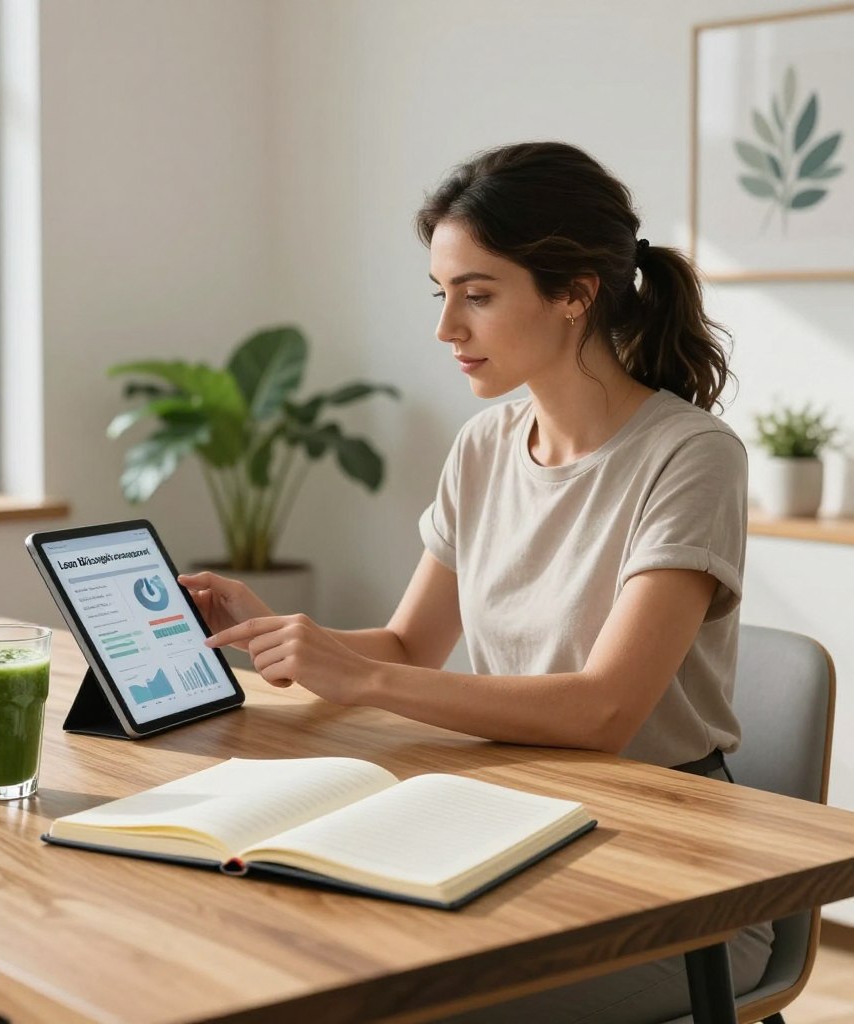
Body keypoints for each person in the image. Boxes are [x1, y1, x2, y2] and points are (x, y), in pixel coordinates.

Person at [178, 141, 771, 1023]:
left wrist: (363, 676)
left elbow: (604, 712)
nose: (446, 328)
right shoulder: (487, 447)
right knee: (273, 949)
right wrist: (291, 638)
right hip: (506, 818)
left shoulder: (690, 457)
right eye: (442, 293)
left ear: (575, 294)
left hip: (673, 874)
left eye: (478, 295)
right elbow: (411, 645)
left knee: (403, 1000)